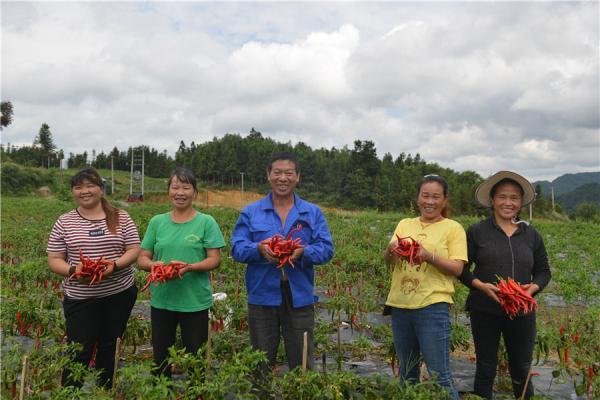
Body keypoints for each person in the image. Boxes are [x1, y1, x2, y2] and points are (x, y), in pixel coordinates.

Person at [231, 152, 334, 373]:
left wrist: (302, 252)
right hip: (262, 293)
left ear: (298, 177)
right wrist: (259, 249)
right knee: (260, 359)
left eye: (289, 173)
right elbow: (237, 248)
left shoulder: (312, 213)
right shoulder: (251, 212)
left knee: (302, 358)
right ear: (268, 175)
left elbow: (326, 250)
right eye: (277, 172)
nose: (283, 178)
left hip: (299, 295)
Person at [459, 171, 551, 399]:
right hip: (485, 309)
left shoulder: (531, 234)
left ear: (521, 203)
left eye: (514, 198)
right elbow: (462, 269)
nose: (508, 202)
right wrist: (481, 286)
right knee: (486, 367)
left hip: (522, 310)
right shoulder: (477, 231)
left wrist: (532, 288)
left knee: (521, 367)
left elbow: (543, 271)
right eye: (502, 196)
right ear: (492, 200)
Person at [47, 168, 140, 388]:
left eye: (90, 186)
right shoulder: (65, 222)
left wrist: (114, 265)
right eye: (78, 187)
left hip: (119, 293)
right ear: (72, 192)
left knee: (110, 343)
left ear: (100, 188)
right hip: (81, 297)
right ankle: (71, 392)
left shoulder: (120, 216)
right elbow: (54, 259)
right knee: (79, 348)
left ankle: (104, 389)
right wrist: (73, 270)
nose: (84, 191)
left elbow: (134, 249)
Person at [384, 174, 466, 400]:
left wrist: (429, 256)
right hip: (400, 305)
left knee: (440, 374)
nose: (430, 201)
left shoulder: (453, 228)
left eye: (435, 197)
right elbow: (389, 262)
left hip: (432, 307)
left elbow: (458, 268)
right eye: (425, 195)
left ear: (445, 200)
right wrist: (390, 252)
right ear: (418, 198)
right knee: (407, 371)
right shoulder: (404, 224)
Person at [137, 167, 225, 376]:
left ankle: (197, 393)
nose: (180, 192)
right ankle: (160, 392)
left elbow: (215, 259)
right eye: (175, 187)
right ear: (168, 191)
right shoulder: (157, 222)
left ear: (195, 192)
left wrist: (191, 267)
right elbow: (142, 258)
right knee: (161, 359)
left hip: (194, 301)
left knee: (196, 358)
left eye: (186, 187)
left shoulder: (206, 222)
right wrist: (154, 266)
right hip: (162, 301)